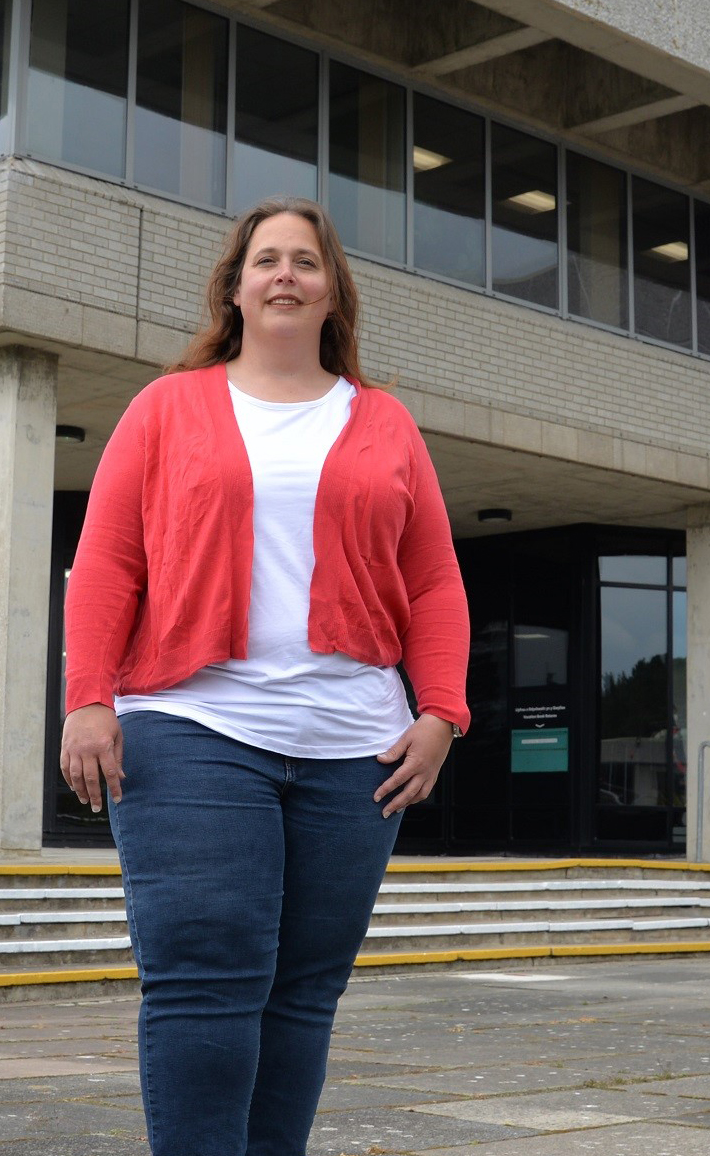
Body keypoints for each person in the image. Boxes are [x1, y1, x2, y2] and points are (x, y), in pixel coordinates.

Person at [59, 196, 470, 1156]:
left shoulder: (386, 421)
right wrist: (88, 697)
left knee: (303, 991)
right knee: (204, 975)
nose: (285, 273)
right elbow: (108, 561)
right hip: (190, 728)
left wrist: (442, 711)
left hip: (354, 749)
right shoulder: (168, 406)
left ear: (333, 293)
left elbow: (436, 578)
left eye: (306, 261)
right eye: (266, 260)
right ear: (236, 288)